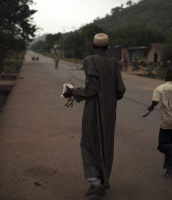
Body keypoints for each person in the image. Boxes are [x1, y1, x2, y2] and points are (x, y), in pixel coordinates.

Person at [63, 33, 126, 196]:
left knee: (88, 143)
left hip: (93, 108)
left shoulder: (90, 60)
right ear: (107, 47)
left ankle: (95, 180)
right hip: (110, 111)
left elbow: (91, 89)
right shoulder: (113, 62)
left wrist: (72, 92)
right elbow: (120, 90)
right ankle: (103, 181)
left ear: (93, 46)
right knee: (105, 144)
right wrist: (109, 100)